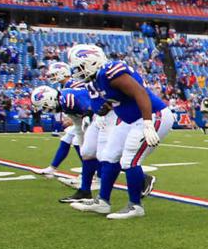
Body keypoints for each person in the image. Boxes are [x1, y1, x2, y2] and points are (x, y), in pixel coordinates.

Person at [67, 44, 173, 220]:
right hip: (130, 119)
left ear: (91, 61)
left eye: (80, 67)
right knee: (108, 155)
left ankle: (135, 206)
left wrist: (148, 123)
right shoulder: (96, 80)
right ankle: (103, 202)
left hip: (153, 115)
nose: (78, 72)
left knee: (129, 159)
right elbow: (110, 101)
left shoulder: (110, 72)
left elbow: (140, 93)